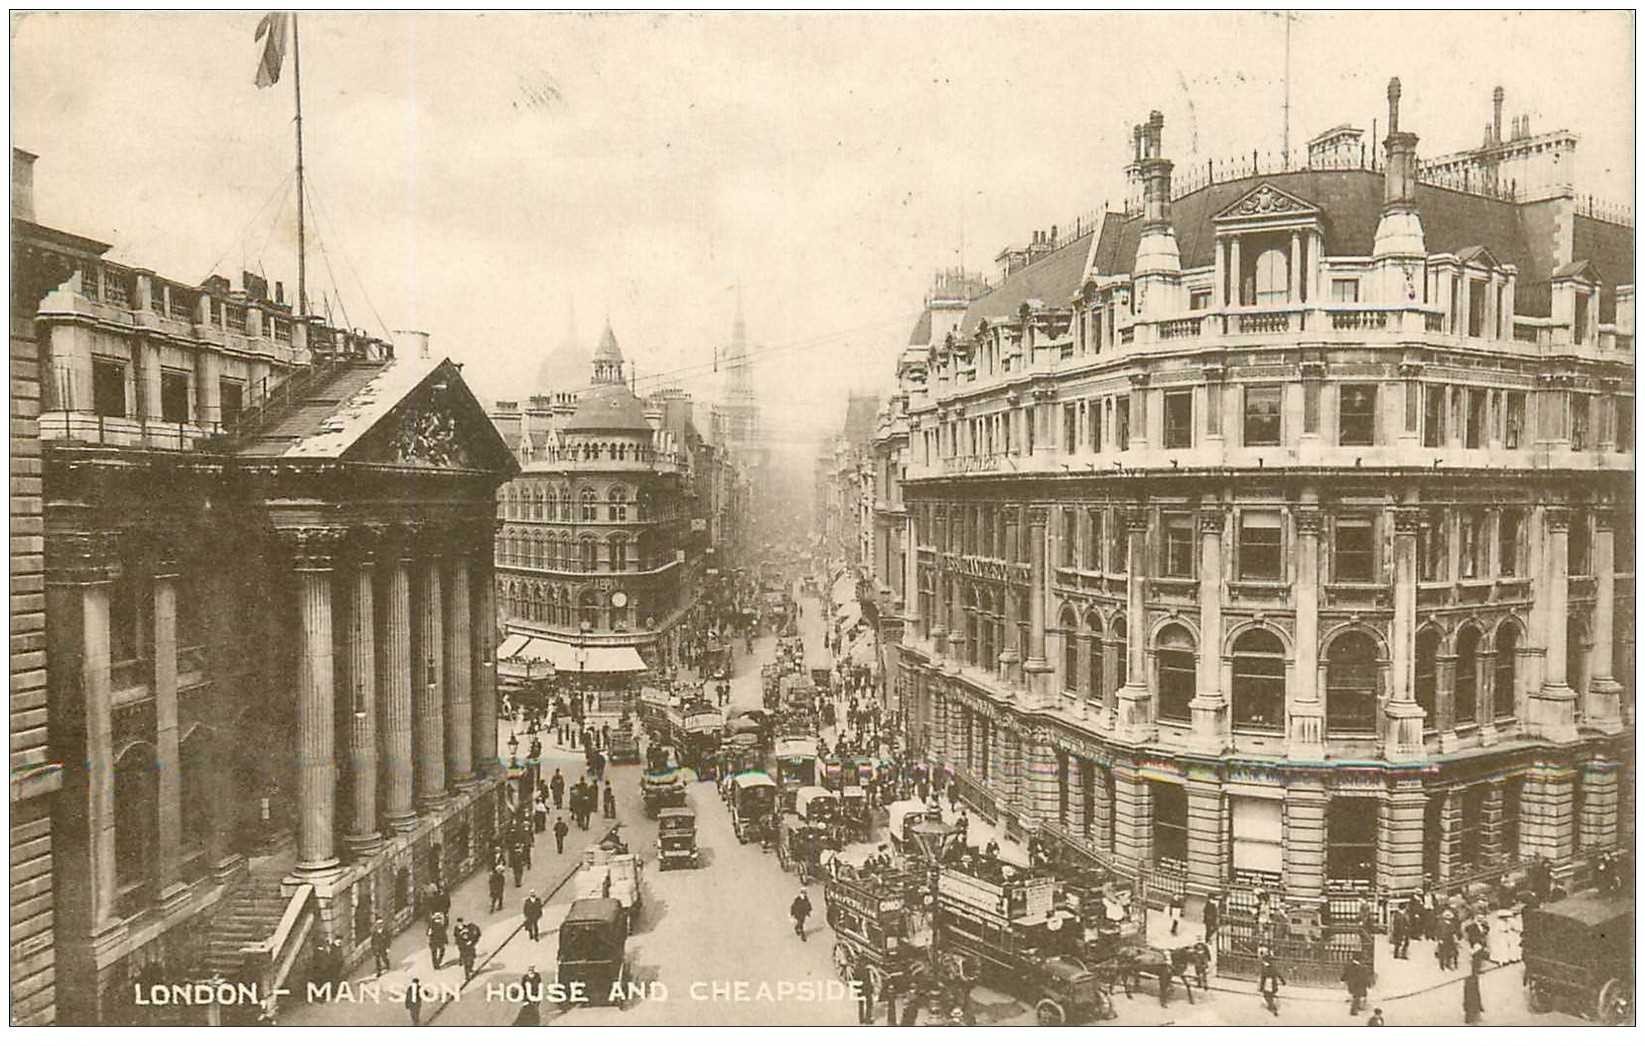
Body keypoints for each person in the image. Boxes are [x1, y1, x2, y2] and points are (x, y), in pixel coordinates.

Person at [1257, 948, 1285, 1016]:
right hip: (1272, 982)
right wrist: (1282, 981)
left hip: (1268, 982)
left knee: (1267, 996)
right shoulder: (1272, 966)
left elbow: (1263, 977)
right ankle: (1272, 1007)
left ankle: (1272, 1008)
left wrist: (1260, 987)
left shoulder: (1264, 967)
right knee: (1270, 995)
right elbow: (1277, 973)